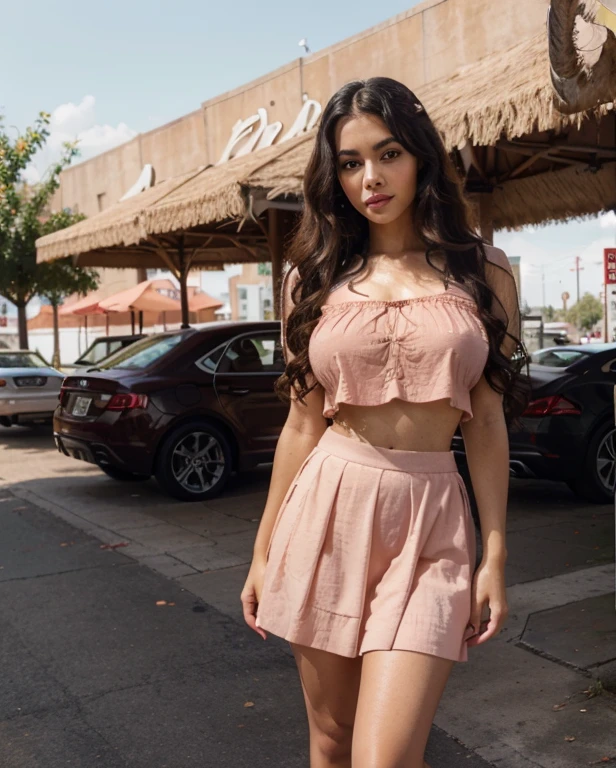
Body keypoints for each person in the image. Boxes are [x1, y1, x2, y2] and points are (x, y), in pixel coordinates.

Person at [241, 77, 529, 768]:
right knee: (333, 744)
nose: (369, 177)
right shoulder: (311, 280)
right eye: (349, 162)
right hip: (328, 512)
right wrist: (262, 549)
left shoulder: (484, 271)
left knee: (387, 756)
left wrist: (495, 555)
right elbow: (302, 427)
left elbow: (485, 422)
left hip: (433, 522)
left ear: (421, 155)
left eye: (388, 152)